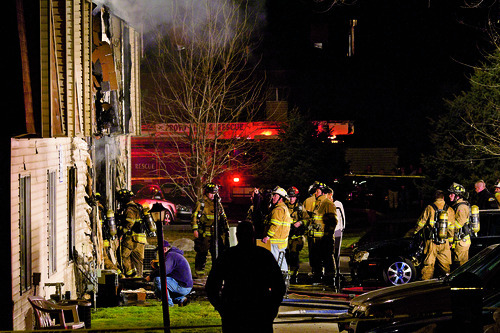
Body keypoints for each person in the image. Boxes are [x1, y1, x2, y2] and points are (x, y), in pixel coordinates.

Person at [205, 221, 286, 333]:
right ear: (253, 235)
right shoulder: (264, 256)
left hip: (234, 314)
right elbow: (279, 286)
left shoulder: (228, 256)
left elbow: (211, 287)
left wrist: (222, 309)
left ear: (237, 236)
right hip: (260, 313)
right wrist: (271, 309)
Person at [407, 190, 453, 280]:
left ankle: (426, 285)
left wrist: (415, 232)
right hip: (445, 242)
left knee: (428, 264)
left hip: (431, 241)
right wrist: (450, 241)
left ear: (435, 198)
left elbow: (421, 222)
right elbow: (452, 228)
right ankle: (447, 284)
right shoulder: (450, 209)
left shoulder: (429, 208)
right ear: (443, 197)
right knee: (445, 266)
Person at [191, 183, 229, 277]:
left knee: (217, 253)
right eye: (211, 193)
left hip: (216, 234)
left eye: (215, 193)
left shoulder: (218, 203)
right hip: (204, 234)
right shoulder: (201, 203)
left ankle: (216, 273)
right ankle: (199, 273)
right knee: (202, 253)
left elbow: (223, 217)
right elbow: (194, 217)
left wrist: (226, 230)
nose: (213, 195)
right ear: (207, 193)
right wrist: (195, 230)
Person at [145, 240, 192, 307]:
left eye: (159, 251)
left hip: (182, 286)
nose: (159, 253)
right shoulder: (173, 255)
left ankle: (168, 304)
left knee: (158, 280)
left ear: (165, 249)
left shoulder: (171, 255)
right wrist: (156, 267)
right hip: (183, 285)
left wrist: (151, 276)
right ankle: (181, 299)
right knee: (157, 292)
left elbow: (164, 271)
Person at [116, 189, 147, 277]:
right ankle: (138, 277)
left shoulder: (130, 209)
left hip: (132, 238)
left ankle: (130, 275)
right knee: (138, 259)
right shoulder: (137, 207)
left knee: (123, 255)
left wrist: (121, 231)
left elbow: (130, 222)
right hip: (141, 239)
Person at [262, 186, 292, 273]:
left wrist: (267, 236)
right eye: (273, 195)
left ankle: (282, 280)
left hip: (275, 241)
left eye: (275, 196)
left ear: (281, 198)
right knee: (281, 261)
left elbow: (275, 224)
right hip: (280, 241)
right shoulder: (283, 208)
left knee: (276, 262)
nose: (273, 197)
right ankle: (283, 279)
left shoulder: (278, 209)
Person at [305, 181, 329, 283]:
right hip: (317, 236)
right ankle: (318, 274)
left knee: (316, 258)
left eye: (317, 191)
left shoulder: (321, 202)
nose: (316, 193)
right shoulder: (320, 202)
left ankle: (318, 274)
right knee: (317, 258)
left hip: (318, 237)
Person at [285, 186, 309, 284]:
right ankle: (286, 274)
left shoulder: (300, 207)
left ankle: (294, 274)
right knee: (285, 256)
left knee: (294, 256)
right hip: (286, 236)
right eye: (290, 197)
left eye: (293, 197)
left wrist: (300, 223)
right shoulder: (284, 207)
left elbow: (307, 219)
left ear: (296, 197)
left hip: (296, 237)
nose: (291, 199)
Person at [316, 186, 338, 285]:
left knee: (328, 256)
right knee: (325, 256)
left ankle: (330, 277)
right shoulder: (324, 203)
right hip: (323, 235)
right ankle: (328, 276)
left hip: (326, 236)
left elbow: (333, 220)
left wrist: (328, 233)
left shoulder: (328, 204)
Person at [448, 182, 471, 267]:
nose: (449, 196)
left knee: (461, 265)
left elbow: (458, 224)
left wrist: (448, 228)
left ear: (458, 196)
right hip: (458, 241)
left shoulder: (461, 207)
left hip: (462, 241)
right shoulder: (457, 206)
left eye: (452, 194)